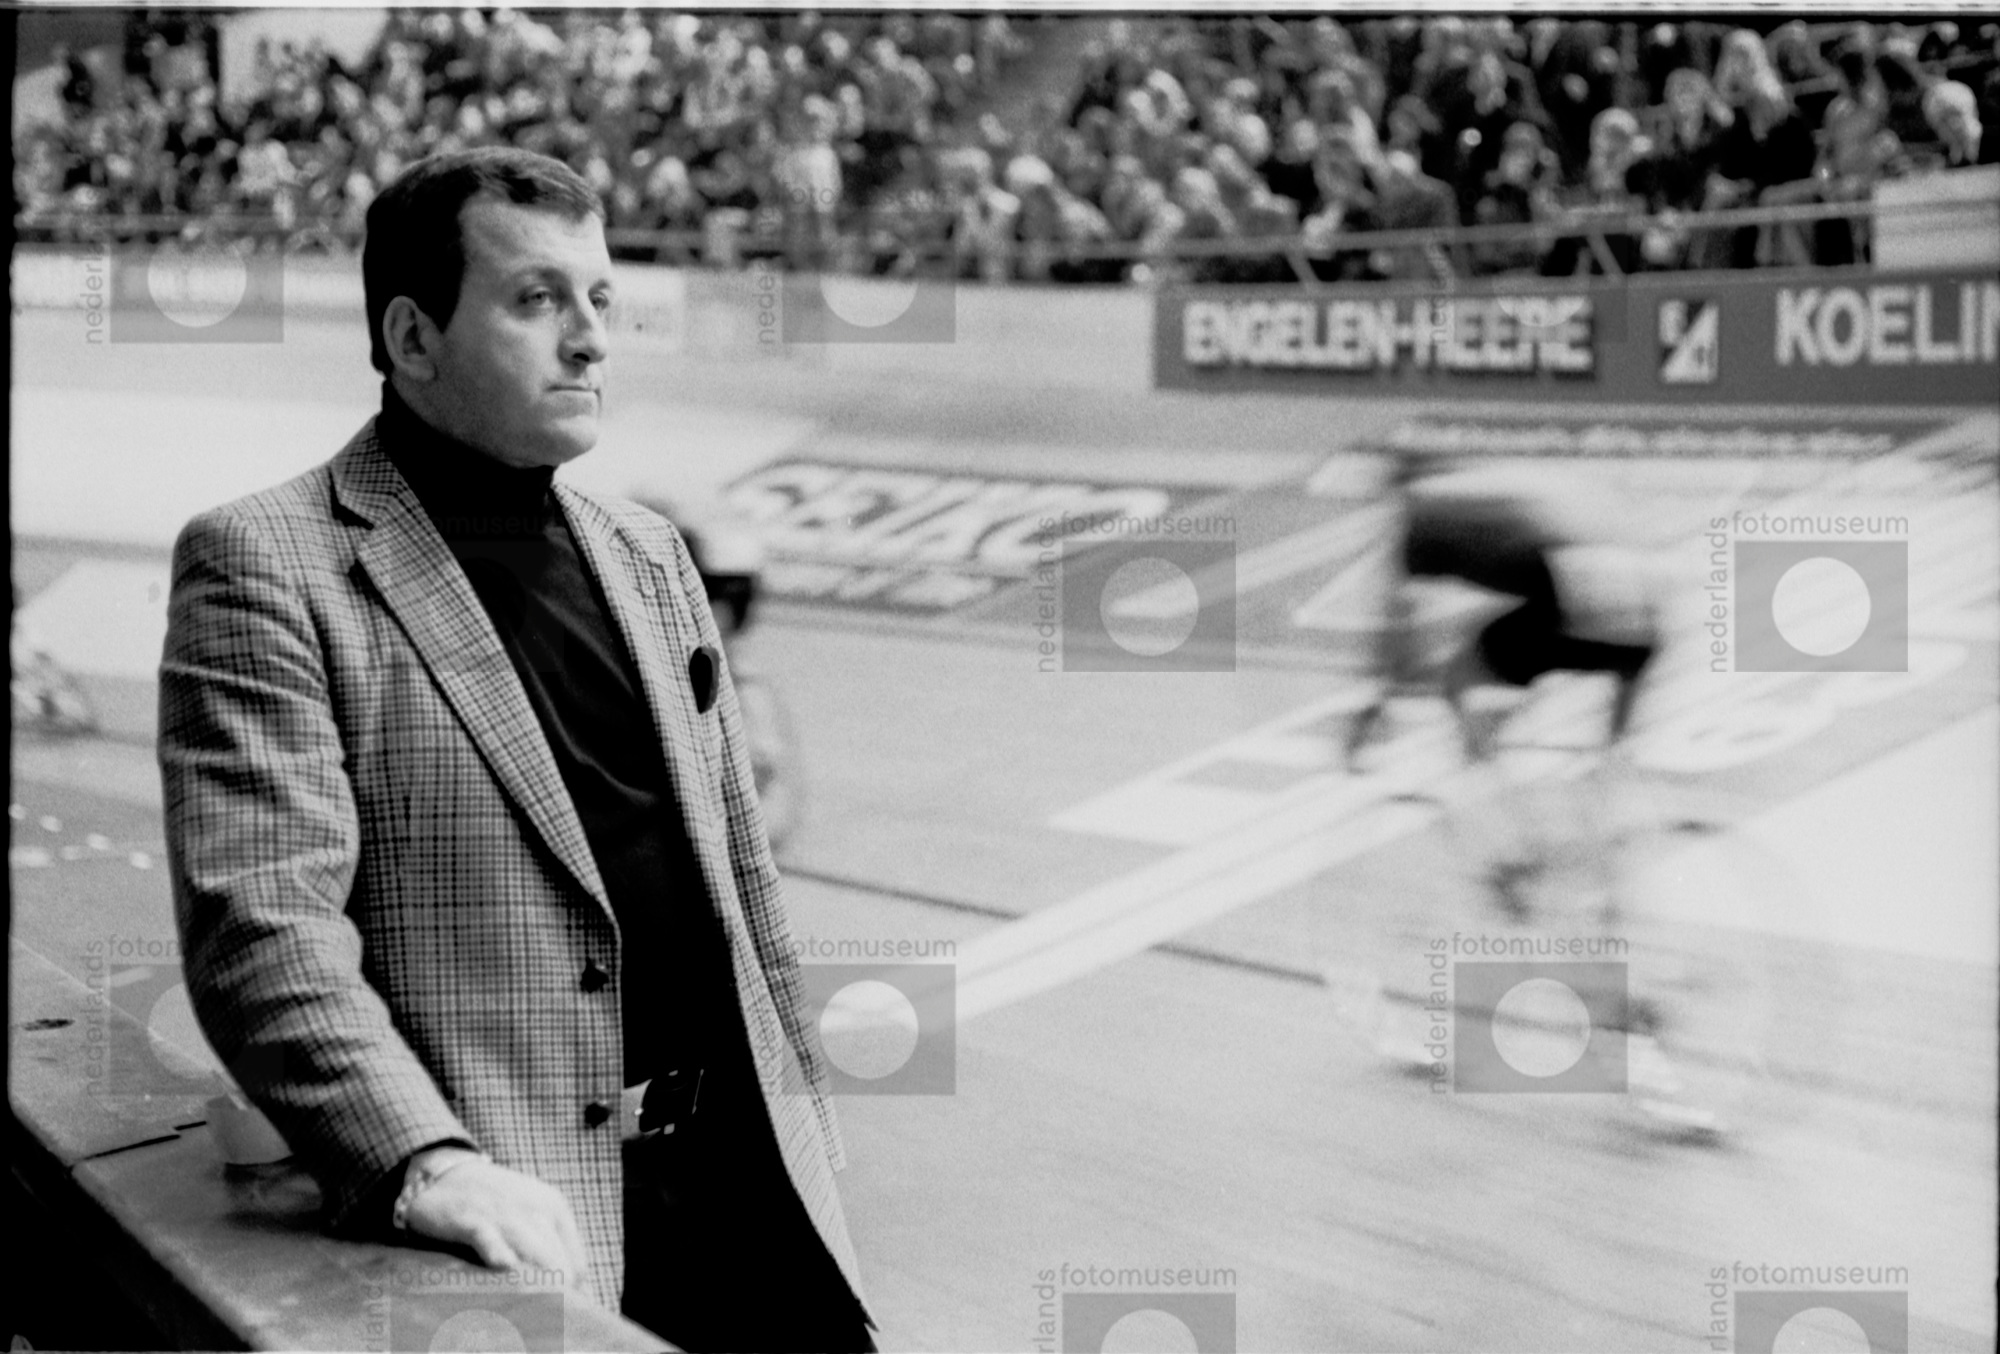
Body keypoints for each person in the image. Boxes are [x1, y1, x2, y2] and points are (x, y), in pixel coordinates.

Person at [156, 147, 873, 1353]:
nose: (590, 340)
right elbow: (263, 924)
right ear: (413, 336)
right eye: (537, 299)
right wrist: (422, 1163)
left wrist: (805, 1114)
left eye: (599, 298)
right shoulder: (265, 564)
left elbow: (742, 880)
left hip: (751, 1187)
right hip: (530, 1213)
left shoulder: (648, 552)